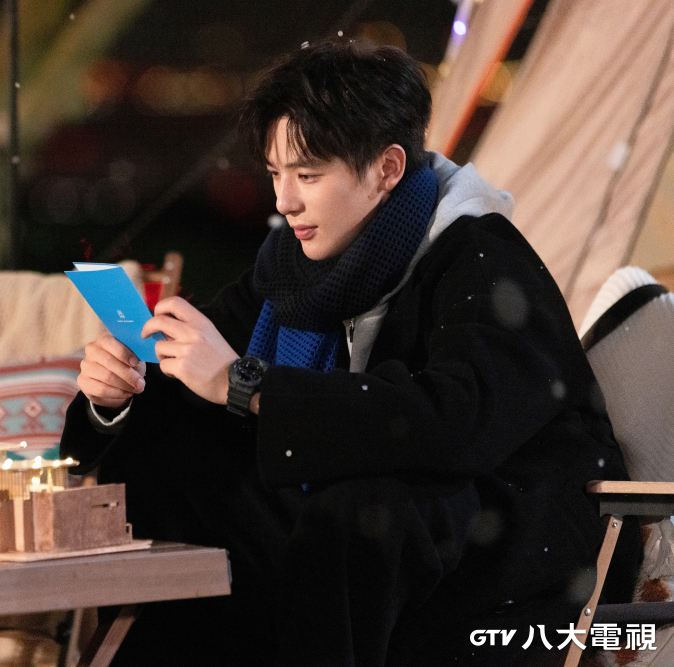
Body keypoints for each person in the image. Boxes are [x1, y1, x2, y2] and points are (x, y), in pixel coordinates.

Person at [60, 39, 639, 666]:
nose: (284, 201)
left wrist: (245, 384)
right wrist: (116, 395)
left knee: (362, 511)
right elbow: (201, 381)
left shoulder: (480, 256)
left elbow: (453, 423)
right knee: (175, 464)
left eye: (307, 176)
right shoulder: (290, 269)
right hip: (378, 537)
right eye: (275, 174)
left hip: (513, 546)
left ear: (387, 169)